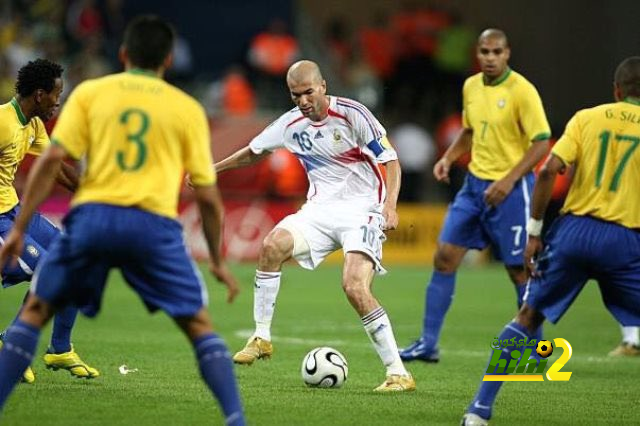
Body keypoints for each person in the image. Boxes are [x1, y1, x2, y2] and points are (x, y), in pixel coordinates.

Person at [0, 16, 245, 425]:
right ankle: (236, 419)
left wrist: (22, 226)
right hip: (153, 225)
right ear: (168, 60)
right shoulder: (186, 108)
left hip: (93, 217)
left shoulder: (92, 93)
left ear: (123, 54)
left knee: (38, 306)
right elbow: (207, 197)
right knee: (199, 323)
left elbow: (52, 163)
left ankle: (51, 350)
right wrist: (218, 260)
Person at [215, 59, 415, 392]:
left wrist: (389, 206)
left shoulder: (353, 114)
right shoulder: (291, 124)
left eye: (308, 92)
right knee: (271, 246)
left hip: (362, 211)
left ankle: (398, 373)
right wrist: (214, 169)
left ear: (323, 86)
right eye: (296, 96)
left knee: (354, 286)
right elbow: (254, 152)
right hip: (319, 212)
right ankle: (261, 337)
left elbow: (390, 159)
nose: (304, 101)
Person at [461, 56, 640, 426]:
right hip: (624, 238)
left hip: (572, 233)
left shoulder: (586, 118)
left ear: (616, 90)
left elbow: (548, 172)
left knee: (526, 317)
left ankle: (478, 411)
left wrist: (534, 233)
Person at [400, 29, 551, 362]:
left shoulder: (522, 91)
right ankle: (428, 344)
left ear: (507, 53)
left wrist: (509, 180)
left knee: (518, 270)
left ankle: (537, 350)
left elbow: (542, 141)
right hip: (473, 187)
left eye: (497, 51)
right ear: (478, 53)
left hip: (511, 191)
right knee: (444, 257)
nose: (490, 58)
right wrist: (448, 158)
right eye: (484, 51)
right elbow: (470, 130)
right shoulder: (471, 86)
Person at [0, 58, 98, 383]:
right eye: (57, 94)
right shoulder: (2, 122)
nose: (59, 101)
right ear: (40, 94)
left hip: (15, 210)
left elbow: (55, 166)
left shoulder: (33, 124)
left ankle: (59, 347)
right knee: (48, 272)